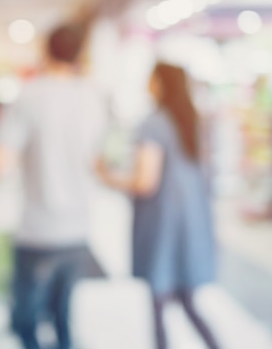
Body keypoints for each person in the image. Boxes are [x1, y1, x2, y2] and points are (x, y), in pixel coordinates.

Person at [0, 23, 107, 349]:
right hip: (79, 227)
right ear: (80, 54)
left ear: (45, 50)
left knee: (25, 320)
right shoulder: (93, 98)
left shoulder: (29, 96)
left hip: (37, 230)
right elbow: (99, 160)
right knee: (63, 316)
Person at [97, 63, 220, 349]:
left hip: (162, 225)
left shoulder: (153, 124)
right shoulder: (191, 122)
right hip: (189, 225)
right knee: (187, 300)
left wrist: (104, 175)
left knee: (159, 304)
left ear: (161, 84)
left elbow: (144, 181)